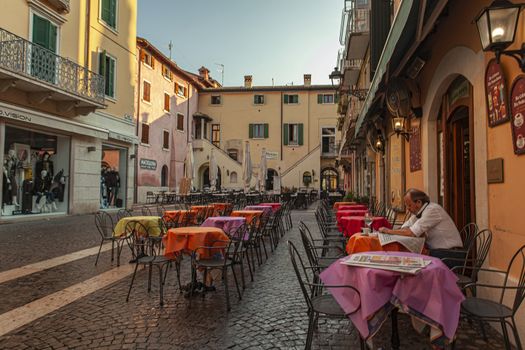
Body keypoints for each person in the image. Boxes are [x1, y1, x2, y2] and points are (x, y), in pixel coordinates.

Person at [379, 188, 462, 250]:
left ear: (418, 202)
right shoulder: (418, 212)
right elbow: (405, 227)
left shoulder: (432, 210)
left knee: (414, 256)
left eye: (409, 205)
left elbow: (412, 233)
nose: (407, 208)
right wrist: (405, 231)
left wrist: (389, 231)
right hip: (437, 250)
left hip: (450, 252)